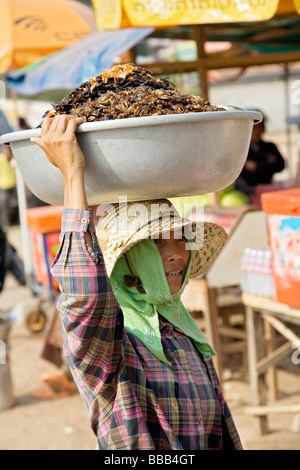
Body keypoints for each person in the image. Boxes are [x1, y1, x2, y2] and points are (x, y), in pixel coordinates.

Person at [30, 114, 243, 450]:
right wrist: (73, 175)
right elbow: (86, 296)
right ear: (126, 260)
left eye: (179, 240)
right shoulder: (108, 350)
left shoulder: (186, 336)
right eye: (156, 243)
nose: (176, 255)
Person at [234, 110, 285, 202]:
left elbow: (281, 165)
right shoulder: (240, 149)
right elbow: (242, 173)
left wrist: (257, 166)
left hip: (267, 187)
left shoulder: (270, 146)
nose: (257, 131)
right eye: (254, 128)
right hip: (248, 191)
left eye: (260, 127)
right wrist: (266, 164)